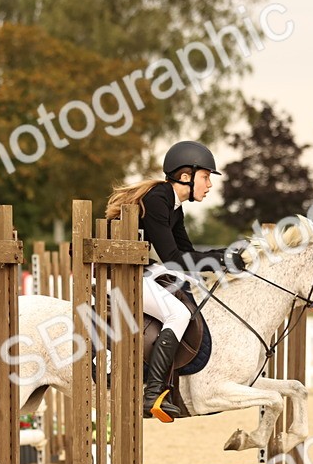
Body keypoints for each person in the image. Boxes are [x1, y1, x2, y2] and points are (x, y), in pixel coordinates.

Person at [105, 140, 245, 421]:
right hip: (115, 273)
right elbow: (172, 258)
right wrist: (220, 260)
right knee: (178, 313)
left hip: (134, 268)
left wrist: (221, 256)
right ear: (186, 176)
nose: (209, 184)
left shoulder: (174, 206)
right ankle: (153, 393)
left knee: (182, 288)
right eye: (205, 177)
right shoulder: (158, 199)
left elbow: (186, 253)